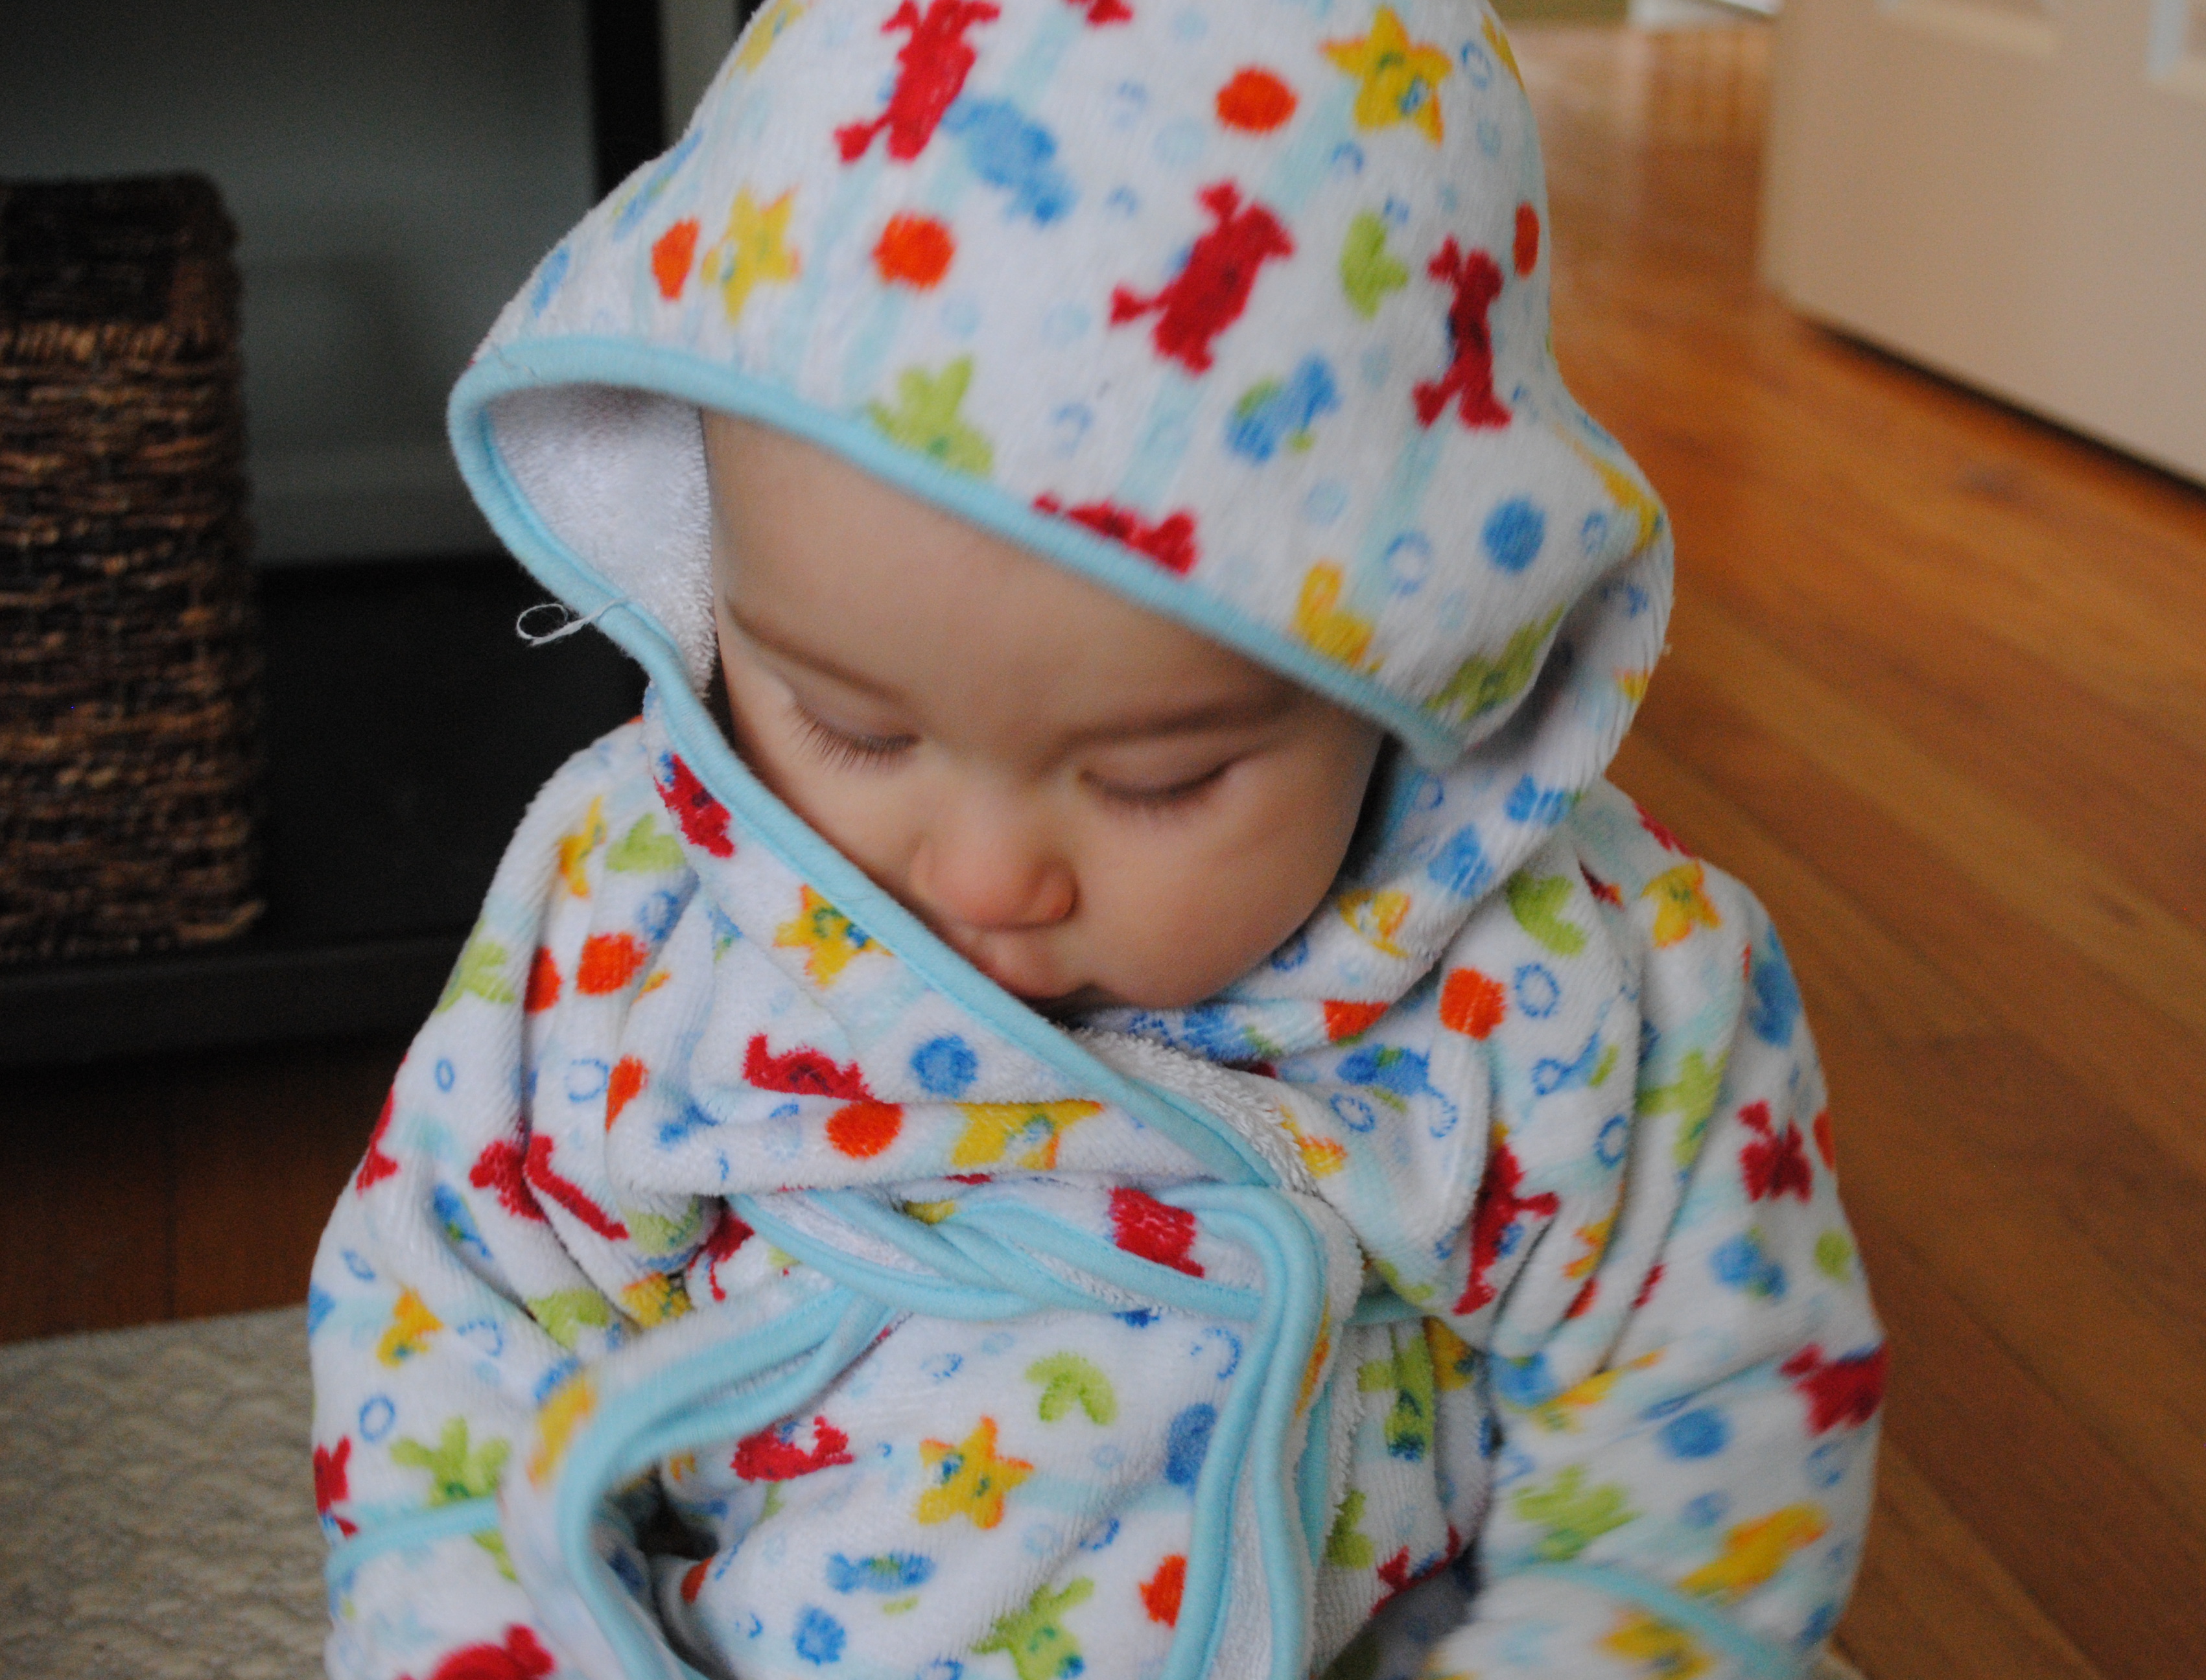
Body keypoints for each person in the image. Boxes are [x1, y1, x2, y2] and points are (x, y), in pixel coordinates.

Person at [307, 5, 1884, 1678]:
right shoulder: (635, 907)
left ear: (1416, 666)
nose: (986, 880)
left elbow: (1708, 1426)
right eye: (852, 725)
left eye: (1158, 778)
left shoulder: (1572, 982)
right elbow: (444, 1337)